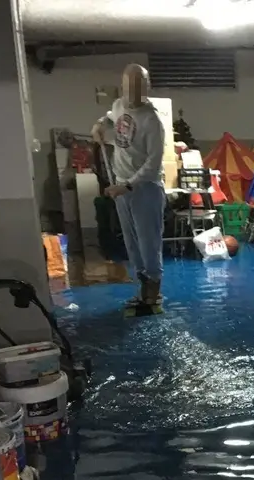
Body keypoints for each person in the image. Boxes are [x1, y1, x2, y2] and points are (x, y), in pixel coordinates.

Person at [92, 63, 166, 309]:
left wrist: (128, 186)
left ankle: (154, 291)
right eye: (128, 86)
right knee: (132, 243)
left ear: (147, 87)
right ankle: (142, 286)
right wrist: (100, 124)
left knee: (148, 242)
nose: (132, 92)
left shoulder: (152, 120)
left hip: (146, 189)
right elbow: (111, 116)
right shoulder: (118, 105)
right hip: (121, 186)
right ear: (122, 86)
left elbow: (153, 164)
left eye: (138, 86)